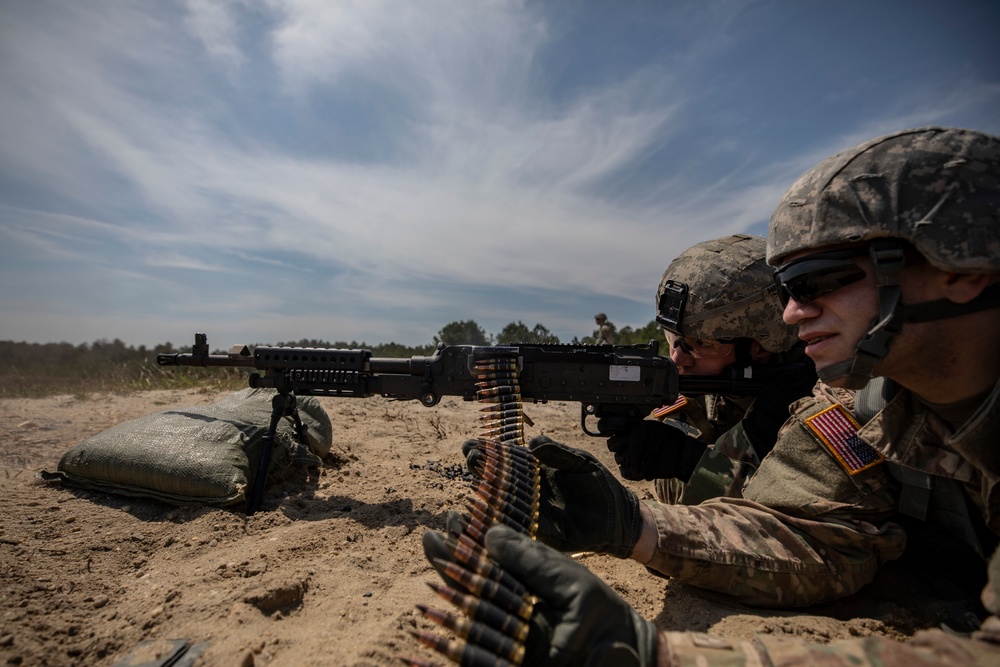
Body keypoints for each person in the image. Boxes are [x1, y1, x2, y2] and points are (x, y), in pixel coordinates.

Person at [447, 126, 1000, 664]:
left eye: (813, 283)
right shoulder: (865, 401)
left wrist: (669, 657)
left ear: (959, 264)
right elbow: (811, 532)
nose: (791, 313)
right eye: (786, 292)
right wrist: (636, 526)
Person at [609, 234, 816, 505]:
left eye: (701, 344)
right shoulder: (703, 394)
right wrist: (680, 460)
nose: (677, 358)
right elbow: (677, 500)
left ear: (762, 344)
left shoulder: (826, 397)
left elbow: (806, 515)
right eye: (673, 338)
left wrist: (698, 463)